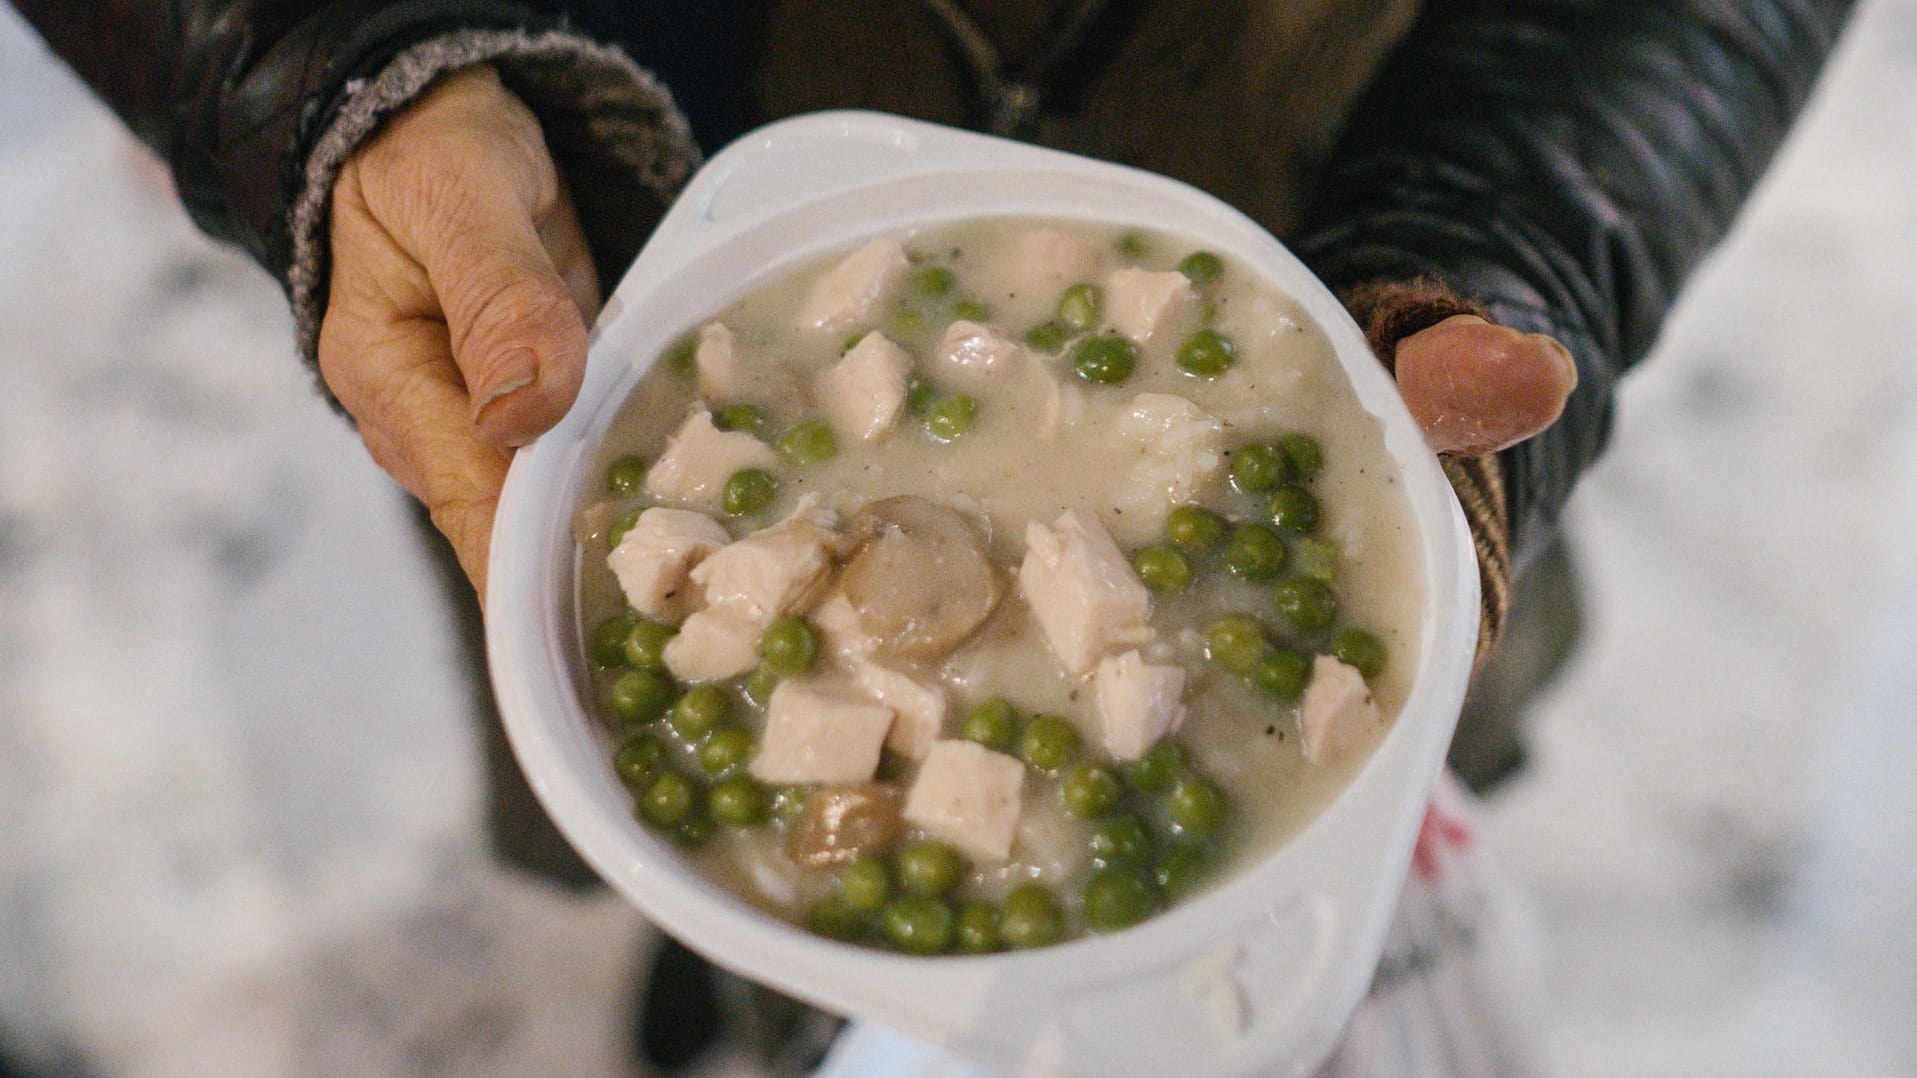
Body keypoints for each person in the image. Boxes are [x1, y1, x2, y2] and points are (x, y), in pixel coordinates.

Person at [9, 1, 1856, 1072]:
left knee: (1391, 680)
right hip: (603, 187)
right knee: (596, 650)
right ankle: (754, 976)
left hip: (1346, 137)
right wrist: (331, 62)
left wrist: (1506, 233)